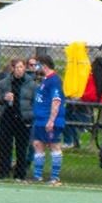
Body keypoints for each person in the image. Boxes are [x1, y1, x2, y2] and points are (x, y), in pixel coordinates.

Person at [29, 53, 65, 185]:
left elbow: (56, 100)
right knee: (38, 144)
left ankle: (55, 177)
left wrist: (51, 120)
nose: (35, 67)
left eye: (37, 64)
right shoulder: (45, 79)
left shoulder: (54, 80)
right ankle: (37, 175)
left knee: (54, 145)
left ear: (43, 65)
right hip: (40, 120)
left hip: (49, 119)